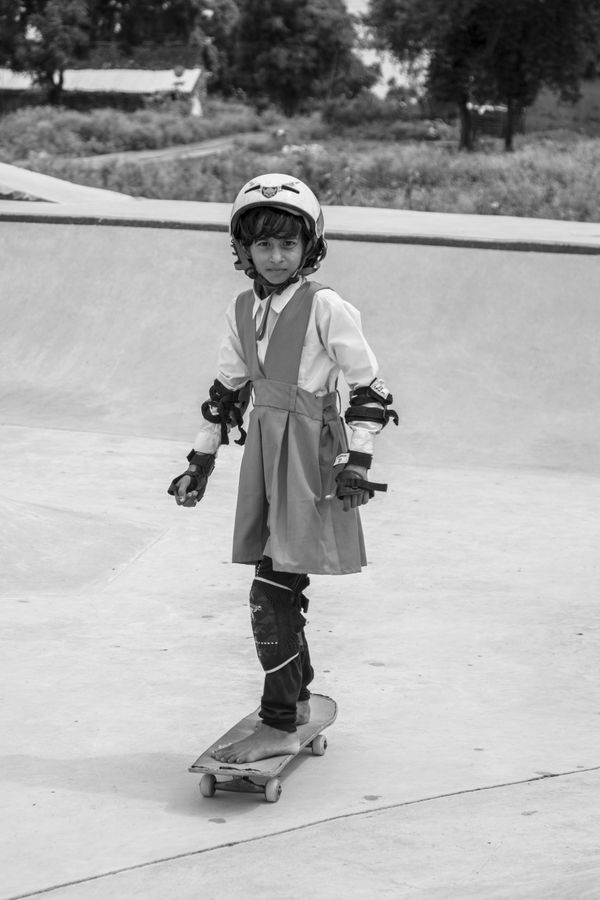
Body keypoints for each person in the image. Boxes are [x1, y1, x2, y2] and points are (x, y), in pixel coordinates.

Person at [168, 173, 397, 764]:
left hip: (312, 460)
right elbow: (225, 393)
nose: (275, 256)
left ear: (309, 247)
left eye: (287, 244)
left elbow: (368, 387)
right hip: (264, 456)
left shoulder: (325, 306)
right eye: (263, 244)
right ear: (242, 249)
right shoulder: (241, 309)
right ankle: (295, 690)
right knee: (281, 583)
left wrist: (359, 458)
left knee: (269, 592)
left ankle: (279, 715)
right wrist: (200, 461)